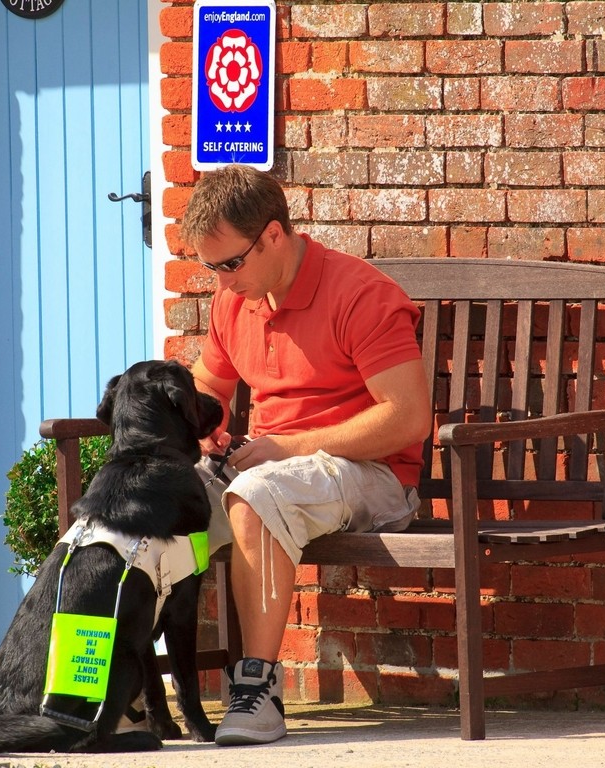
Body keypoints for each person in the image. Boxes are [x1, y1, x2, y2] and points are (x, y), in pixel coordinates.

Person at [181, 164, 431, 747]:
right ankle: (125, 686)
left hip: (372, 475)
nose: (221, 282)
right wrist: (203, 430)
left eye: (229, 264)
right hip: (268, 466)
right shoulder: (234, 301)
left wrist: (287, 448)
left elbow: (407, 418)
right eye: (209, 268)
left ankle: (256, 690)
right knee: (152, 502)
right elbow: (206, 388)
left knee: (257, 494)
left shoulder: (360, 294)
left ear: (272, 235)